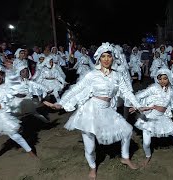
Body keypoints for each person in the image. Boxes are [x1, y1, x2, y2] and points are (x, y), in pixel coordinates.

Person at [44, 42, 145, 179]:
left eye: (109, 56)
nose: (106, 59)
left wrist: (138, 105)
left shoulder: (117, 75)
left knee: (127, 131)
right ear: (99, 59)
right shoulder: (92, 75)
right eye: (103, 56)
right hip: (90, 111)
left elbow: (127, 91)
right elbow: (76, 89)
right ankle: (92, 167)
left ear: (113, 58)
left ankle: (125, 158)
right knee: (90, 147)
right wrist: (60, 103)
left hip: (107, 110)